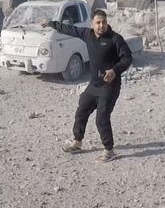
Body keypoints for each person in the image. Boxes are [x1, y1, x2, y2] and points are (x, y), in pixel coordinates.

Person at [40, 9, 132, 162]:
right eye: (98, 22)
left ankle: (109, 150)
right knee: (81, 110)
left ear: (107, 22)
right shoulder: (87, 35)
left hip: (110, 86)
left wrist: (115, 71)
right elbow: (70, 29)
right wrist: (51, 23)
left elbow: (127, 58)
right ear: (92, 24)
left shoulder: (115, 39)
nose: (101, 25)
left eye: (103, 22)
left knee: (101, 118)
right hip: (94, 84)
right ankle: (77, 141)